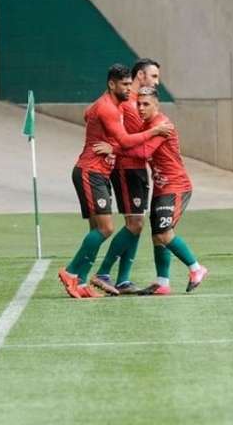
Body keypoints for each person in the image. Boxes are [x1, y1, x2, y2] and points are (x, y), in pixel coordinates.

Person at [58, 64, 172, 299]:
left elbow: (88, 113)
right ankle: (72, 272)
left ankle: (80, 284)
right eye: (125, 85)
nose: (129, 89)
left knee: (98, 229)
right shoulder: (110, 108)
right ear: (112, 84)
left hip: (98, 172)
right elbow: (125, 140)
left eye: (130, 85)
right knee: (106, 228)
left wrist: (100, 133)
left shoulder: (115, 105)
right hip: (92, 171)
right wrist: (154, 131)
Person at [94, 87, 208, 295]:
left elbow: (143, 152)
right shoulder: (147, 125)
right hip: (160, 187)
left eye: (146, 104)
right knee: (157, 237)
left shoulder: (162, 125)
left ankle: (196, 268)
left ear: (157, 105)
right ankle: (163, 283)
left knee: (164, 234)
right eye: (139, 103)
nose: (141, 108)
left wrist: (114, 149)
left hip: (176, 186)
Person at [93, 58, 161, 295]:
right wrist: (113, 148)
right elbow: (121, 135)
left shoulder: (139, 103)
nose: (156, 82)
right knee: (135, 223)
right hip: (126, 169)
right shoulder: (125, 104)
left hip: (138, 167)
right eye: (153, 76)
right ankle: (103, 273)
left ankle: (123, 280)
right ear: (140, 76)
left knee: (136, 225)